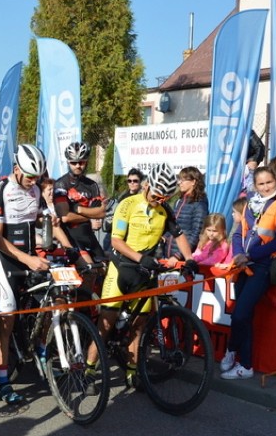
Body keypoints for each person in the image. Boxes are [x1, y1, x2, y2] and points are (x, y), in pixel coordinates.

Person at [89, 163, 198, 389]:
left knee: (139, 325)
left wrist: (189, 259)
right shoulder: (127, 204)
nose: (159, 201)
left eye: (164, 198)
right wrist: (140, 258)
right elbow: (117, 241)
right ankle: (89, 368)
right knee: (106, 323)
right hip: (122, 268)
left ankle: (131, 370)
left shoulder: (164, 209)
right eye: (156, 196)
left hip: (145, 273)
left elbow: (179, 235)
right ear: (147, 185)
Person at [0, 144, 77, 403]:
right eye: (28, 176)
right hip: (5, 260)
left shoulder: (36, 188)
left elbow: (39, 217)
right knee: (8, 321)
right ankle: (2, 382)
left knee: (54, 301)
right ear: (16, 169)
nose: (32, 181)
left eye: (36, 178)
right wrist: (27, 259)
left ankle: (41, 347)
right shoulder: (0, 189)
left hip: (30, 258)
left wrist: (51, 225)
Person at [221, 167, 276, 380]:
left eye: (269, 183)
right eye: (261, 184)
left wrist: (250, 255)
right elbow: (238, 233)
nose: (265, 187)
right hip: (244, 264)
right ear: (254, 185)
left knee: (241, 314)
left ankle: (235, 353)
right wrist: (237, 254)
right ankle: (243, 362)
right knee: (243, 315)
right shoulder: (249, 202)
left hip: (264, 264)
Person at [53, 141, 107, 263]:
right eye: (73, 162)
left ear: (86, 161)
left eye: (81, 162)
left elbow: (101, 213)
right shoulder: (61, 184)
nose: (78, 165)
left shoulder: (92, 185)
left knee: (103, 269)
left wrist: (78, 209)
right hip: (71, 236)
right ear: (68, 162)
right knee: (90, 270)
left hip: (88, 235)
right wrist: (89, 215)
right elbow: (65, 217)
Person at [163, 166, 208, 263]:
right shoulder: (179, 201)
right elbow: (173, 226)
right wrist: (164, 237)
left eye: (183, 180)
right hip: (168, 255)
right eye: (179, 179)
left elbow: (196, 235)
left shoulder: (200, 203)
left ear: (193, 182)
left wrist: (178, 256)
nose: (179, 183)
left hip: (183, 258)